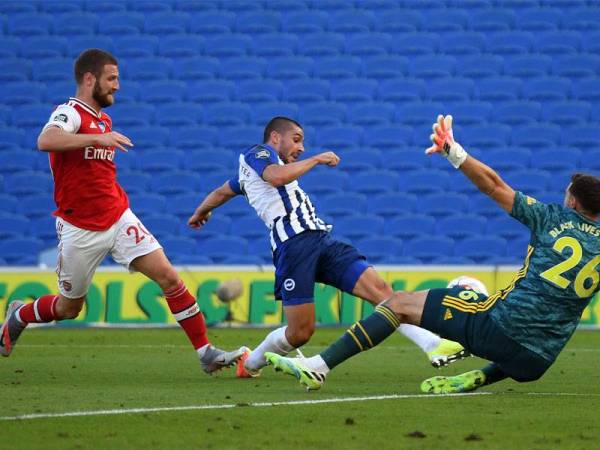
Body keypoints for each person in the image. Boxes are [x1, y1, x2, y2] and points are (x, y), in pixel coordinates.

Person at [265, 114, 600, 393]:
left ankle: (318, 367)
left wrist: (454, 152)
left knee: (398, 304)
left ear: (572, 202)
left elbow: (494, 185)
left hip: (498, 330)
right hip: (537, 362)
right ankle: (476, 377)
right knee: (513, 319)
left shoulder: (552, 218)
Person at [0, 49, 244, 375]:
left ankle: (206, 353)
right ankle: (20, 315)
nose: (117, 86)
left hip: (118, 216)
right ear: (90, 79)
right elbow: (46, 140)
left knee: (169, 277)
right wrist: (99, 137)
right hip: (80, 227)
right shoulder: (70, 112)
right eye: (111, 78)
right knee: (69, 308)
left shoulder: (103, 120)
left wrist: (101, 135)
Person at [188, 116, 468, 378]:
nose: (301, 147)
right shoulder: (258, 154)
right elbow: (275, 177)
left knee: (382, 293)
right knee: (301, 333)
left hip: (322, 240)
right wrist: (317, 159)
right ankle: (250, 363)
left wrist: (201, 211)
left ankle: (433, 345)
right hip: (293, 247)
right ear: (275, 137)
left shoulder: (251, 176)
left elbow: (223, 191)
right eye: (296, 139)